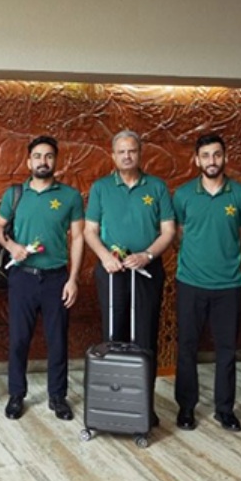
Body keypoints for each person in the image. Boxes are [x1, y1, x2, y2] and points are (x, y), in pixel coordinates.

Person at [83, 129, 175, 427]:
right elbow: (89, 231)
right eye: (121, 151)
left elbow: (168, 231)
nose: (127, 156)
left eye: (132, 151)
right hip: (112, 271)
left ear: (140, 153)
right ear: (113, 156)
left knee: (145, 337)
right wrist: (105, 257)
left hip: (146, 270)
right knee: (113, 337)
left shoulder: (157, 187)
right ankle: (113, 404)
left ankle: (143, 406)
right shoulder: (100, 188)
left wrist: (148, 254)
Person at [0, 135, 84, 421]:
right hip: (23, 278)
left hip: (57, 278)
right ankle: (16, 395)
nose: (43, 161)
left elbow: (78, 238)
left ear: (56, 161)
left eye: (48, 156)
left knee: (58, 340)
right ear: (28, 161)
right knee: (19, 339)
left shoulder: (70, 196)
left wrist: (73, 279)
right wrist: (11, 246)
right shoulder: (15, 194)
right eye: (37, 156)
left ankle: (58, 397)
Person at [172, 133, 241, 432]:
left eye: (217, 154)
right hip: (190, 283)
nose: (212, 160)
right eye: (206, 155)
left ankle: (225, 410)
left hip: (228, 285)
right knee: (186, 348)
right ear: (197, 160)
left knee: (227, 350)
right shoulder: (183, 195)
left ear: (225, 157)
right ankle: (186, 409)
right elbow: (178, 235)